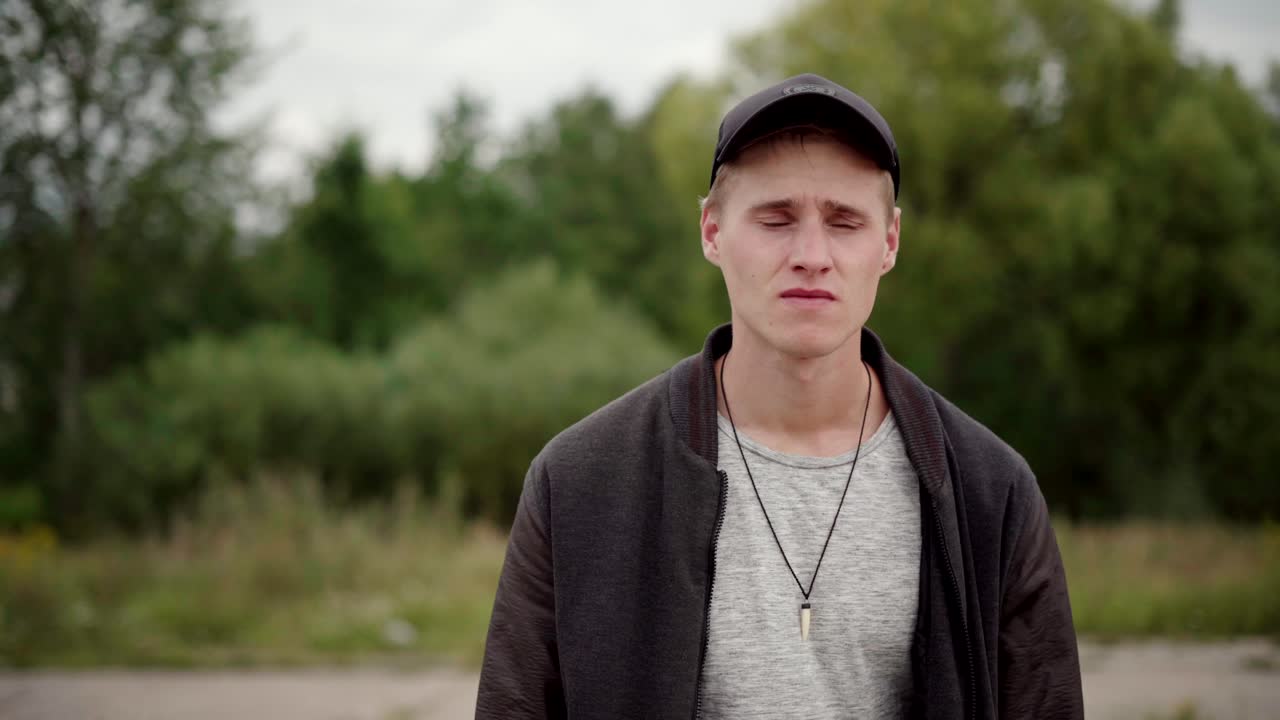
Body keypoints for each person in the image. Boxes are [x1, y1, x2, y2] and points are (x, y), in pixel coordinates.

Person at [475, 73, 1083, 719]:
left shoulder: (990, 492)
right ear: (712, 231)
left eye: (845, 221)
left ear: (890, 242)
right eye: (776, 219)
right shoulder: (581, 482)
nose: (812, 254)